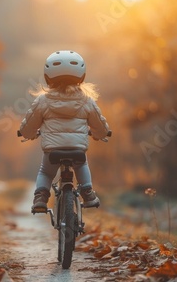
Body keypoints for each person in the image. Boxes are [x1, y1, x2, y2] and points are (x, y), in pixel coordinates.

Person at [19, 50, 110, 213]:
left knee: (46, 172)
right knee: (81, 164)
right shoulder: (86, 100)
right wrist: (101, 134)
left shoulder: (43, 101)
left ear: (48, 76)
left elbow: (30, 125)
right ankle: (88, 193)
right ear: (81, 76)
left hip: (52, 151)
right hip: (78, 149)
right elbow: (99, 125)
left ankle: (40, 197)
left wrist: (26, 134)